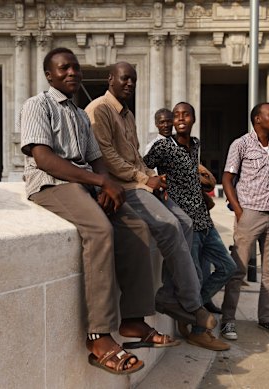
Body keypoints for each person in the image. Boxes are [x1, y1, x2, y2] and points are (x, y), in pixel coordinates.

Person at [18, 48, 178, 375]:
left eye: (75, 68)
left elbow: (97, 160)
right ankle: (99, 336)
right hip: (50, 184)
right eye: (64, 69)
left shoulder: (79, 114)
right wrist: (100, 182)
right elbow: (44, 158)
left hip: (83, 184)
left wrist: (105, 184)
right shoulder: (37, 105)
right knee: (100, 231)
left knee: (136, 227)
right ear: (49, 75)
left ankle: (133, 320)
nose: (72, 73)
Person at [85, 61, 217, 334]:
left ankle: (170, 293)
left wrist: (151, 177)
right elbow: (107, 157)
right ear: (110, 79)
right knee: (168, 226)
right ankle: (193, 304)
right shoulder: (99, 109)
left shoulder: (128, 115)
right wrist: (145, 179)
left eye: (133, 80)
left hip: (140, 183)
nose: (130, 84)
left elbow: (135, 157)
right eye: (124, 79)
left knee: (186, 221)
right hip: (124, 187)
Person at [144, 102, 237, 351]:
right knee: (194, 277)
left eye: (185, 114)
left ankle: (186, 312)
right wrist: (153, 184)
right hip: (185, 223)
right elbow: (143, 165)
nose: (180, 118)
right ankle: (198, 328)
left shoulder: (194, 144)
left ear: (194, 118)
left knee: (228, 267)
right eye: (176, 115)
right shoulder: (163, 146)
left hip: (204, 220)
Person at [221, 102, 269, 340]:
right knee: (238, 271)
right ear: (257, 119)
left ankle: (266, 319)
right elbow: (227, 179)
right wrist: (238, 211)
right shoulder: (241, 144)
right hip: (250, 214)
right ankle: (228, 321)